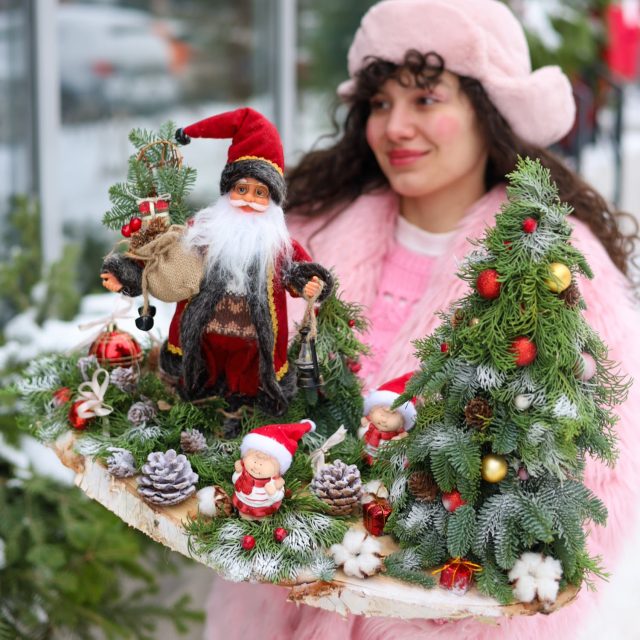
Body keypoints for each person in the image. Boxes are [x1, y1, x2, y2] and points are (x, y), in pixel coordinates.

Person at [205, 0, 640, 638]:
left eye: (426, 98)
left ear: (489, 111)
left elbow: (600, 480)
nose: (396, 126)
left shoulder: (556, 268)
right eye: (380, 103)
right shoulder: (302, 239)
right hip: (274, 606)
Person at [101, 108, 333, 415]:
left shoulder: (278, 246)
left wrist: (309, 283)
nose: (249, 199)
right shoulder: (204, 231)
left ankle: (246, 410)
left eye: (260, 193)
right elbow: (164, 256)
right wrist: (127, 274)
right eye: (241, 189)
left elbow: (299, 271)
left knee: (250, 388)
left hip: (253, 348)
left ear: (273, 199)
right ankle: (197, 405)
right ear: (228, 191)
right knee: (198, 384)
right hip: (203, 340)